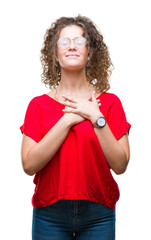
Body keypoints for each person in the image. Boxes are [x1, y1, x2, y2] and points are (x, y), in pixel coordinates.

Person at [20, 15, 131, 240]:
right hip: (49, 214)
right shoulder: (38, 105)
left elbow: (120, 165)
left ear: (90, 53)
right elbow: (29, 164)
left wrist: (96, 117)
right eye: (64, 42)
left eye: (80, 41)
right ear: (55, 54)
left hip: (98, 214)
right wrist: (68, 119)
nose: (72, 46)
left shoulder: (110, 104)